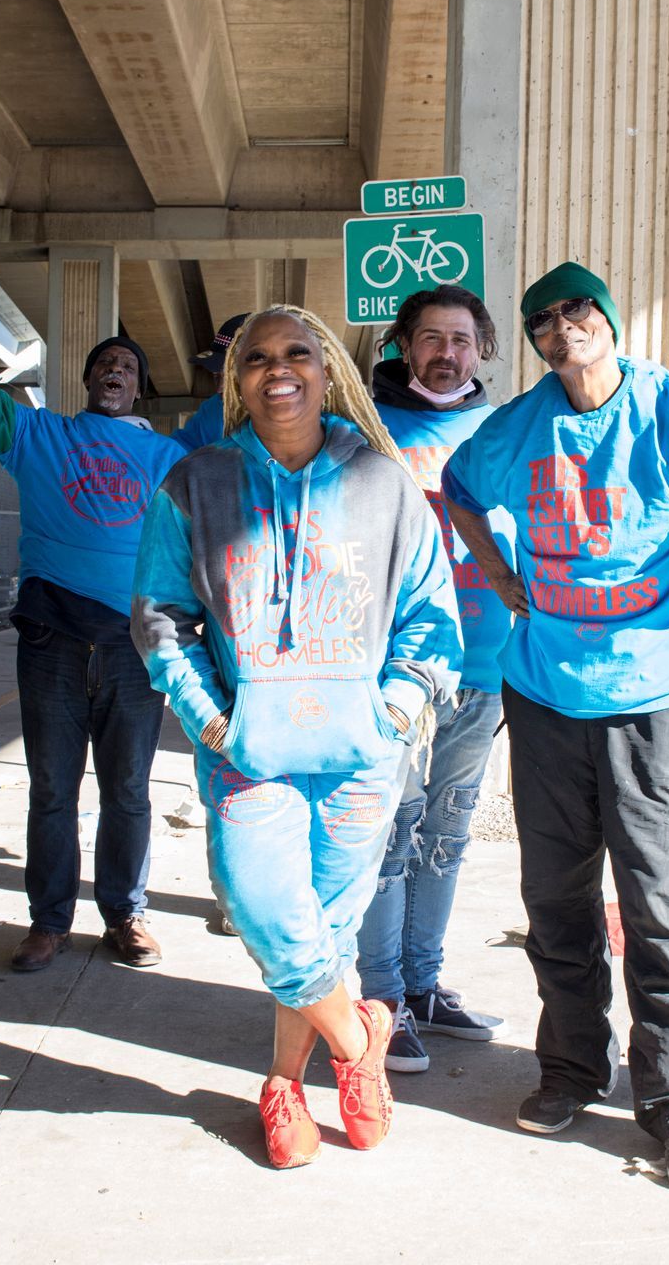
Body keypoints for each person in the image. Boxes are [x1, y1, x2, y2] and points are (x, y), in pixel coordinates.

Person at [440, 261, 669, 1190]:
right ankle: (569, 1071)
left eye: (577, 312)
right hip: (546, 698)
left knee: (662, 911)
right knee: (556, 905)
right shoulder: (519, 427)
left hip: (658, 701)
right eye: (544, 323)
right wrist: (501, 573)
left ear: (606, 317)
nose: (564, 330)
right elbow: (460, 488)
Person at [132, 305, 462, 1169]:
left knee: (325, 929)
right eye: (257, 359)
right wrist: (211, 719)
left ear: (329, 373)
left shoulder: (383, 484)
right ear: (236, 380)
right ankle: (361, 1043)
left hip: (359, 758)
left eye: (297, 354)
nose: (278, 370)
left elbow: (432, 614)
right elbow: (162, 617)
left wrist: (391, 713)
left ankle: (283, 1086)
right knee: (263, 910)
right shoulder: (196, 482)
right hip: (251, 753)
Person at [0, 227, 183, 972]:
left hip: (136, 648)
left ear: (139, 388)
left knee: (130, 790)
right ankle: (48, 920)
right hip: (52, 642)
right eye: (104, 362)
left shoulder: (169, 456)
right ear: (87, 380)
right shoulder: (37, 435)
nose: (114, 370)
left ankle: (126, 915)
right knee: (51, 788)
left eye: (127, 366)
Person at [353, 285, 514, 1072]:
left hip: (484, 665)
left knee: (446, 832)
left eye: (461, 339)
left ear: (481, 349)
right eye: (430, 338)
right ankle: (380, 999)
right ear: (403, 347)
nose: (446, 353)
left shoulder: (508, 432)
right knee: (390, 833)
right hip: (399, 674)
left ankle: (422, 985)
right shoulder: (366, 431)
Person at [171, 313, 247, 452]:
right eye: (216, 376)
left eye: (230, 377)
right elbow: (175, 450)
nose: (219, 388)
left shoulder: (291, 412)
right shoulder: (213, 408)